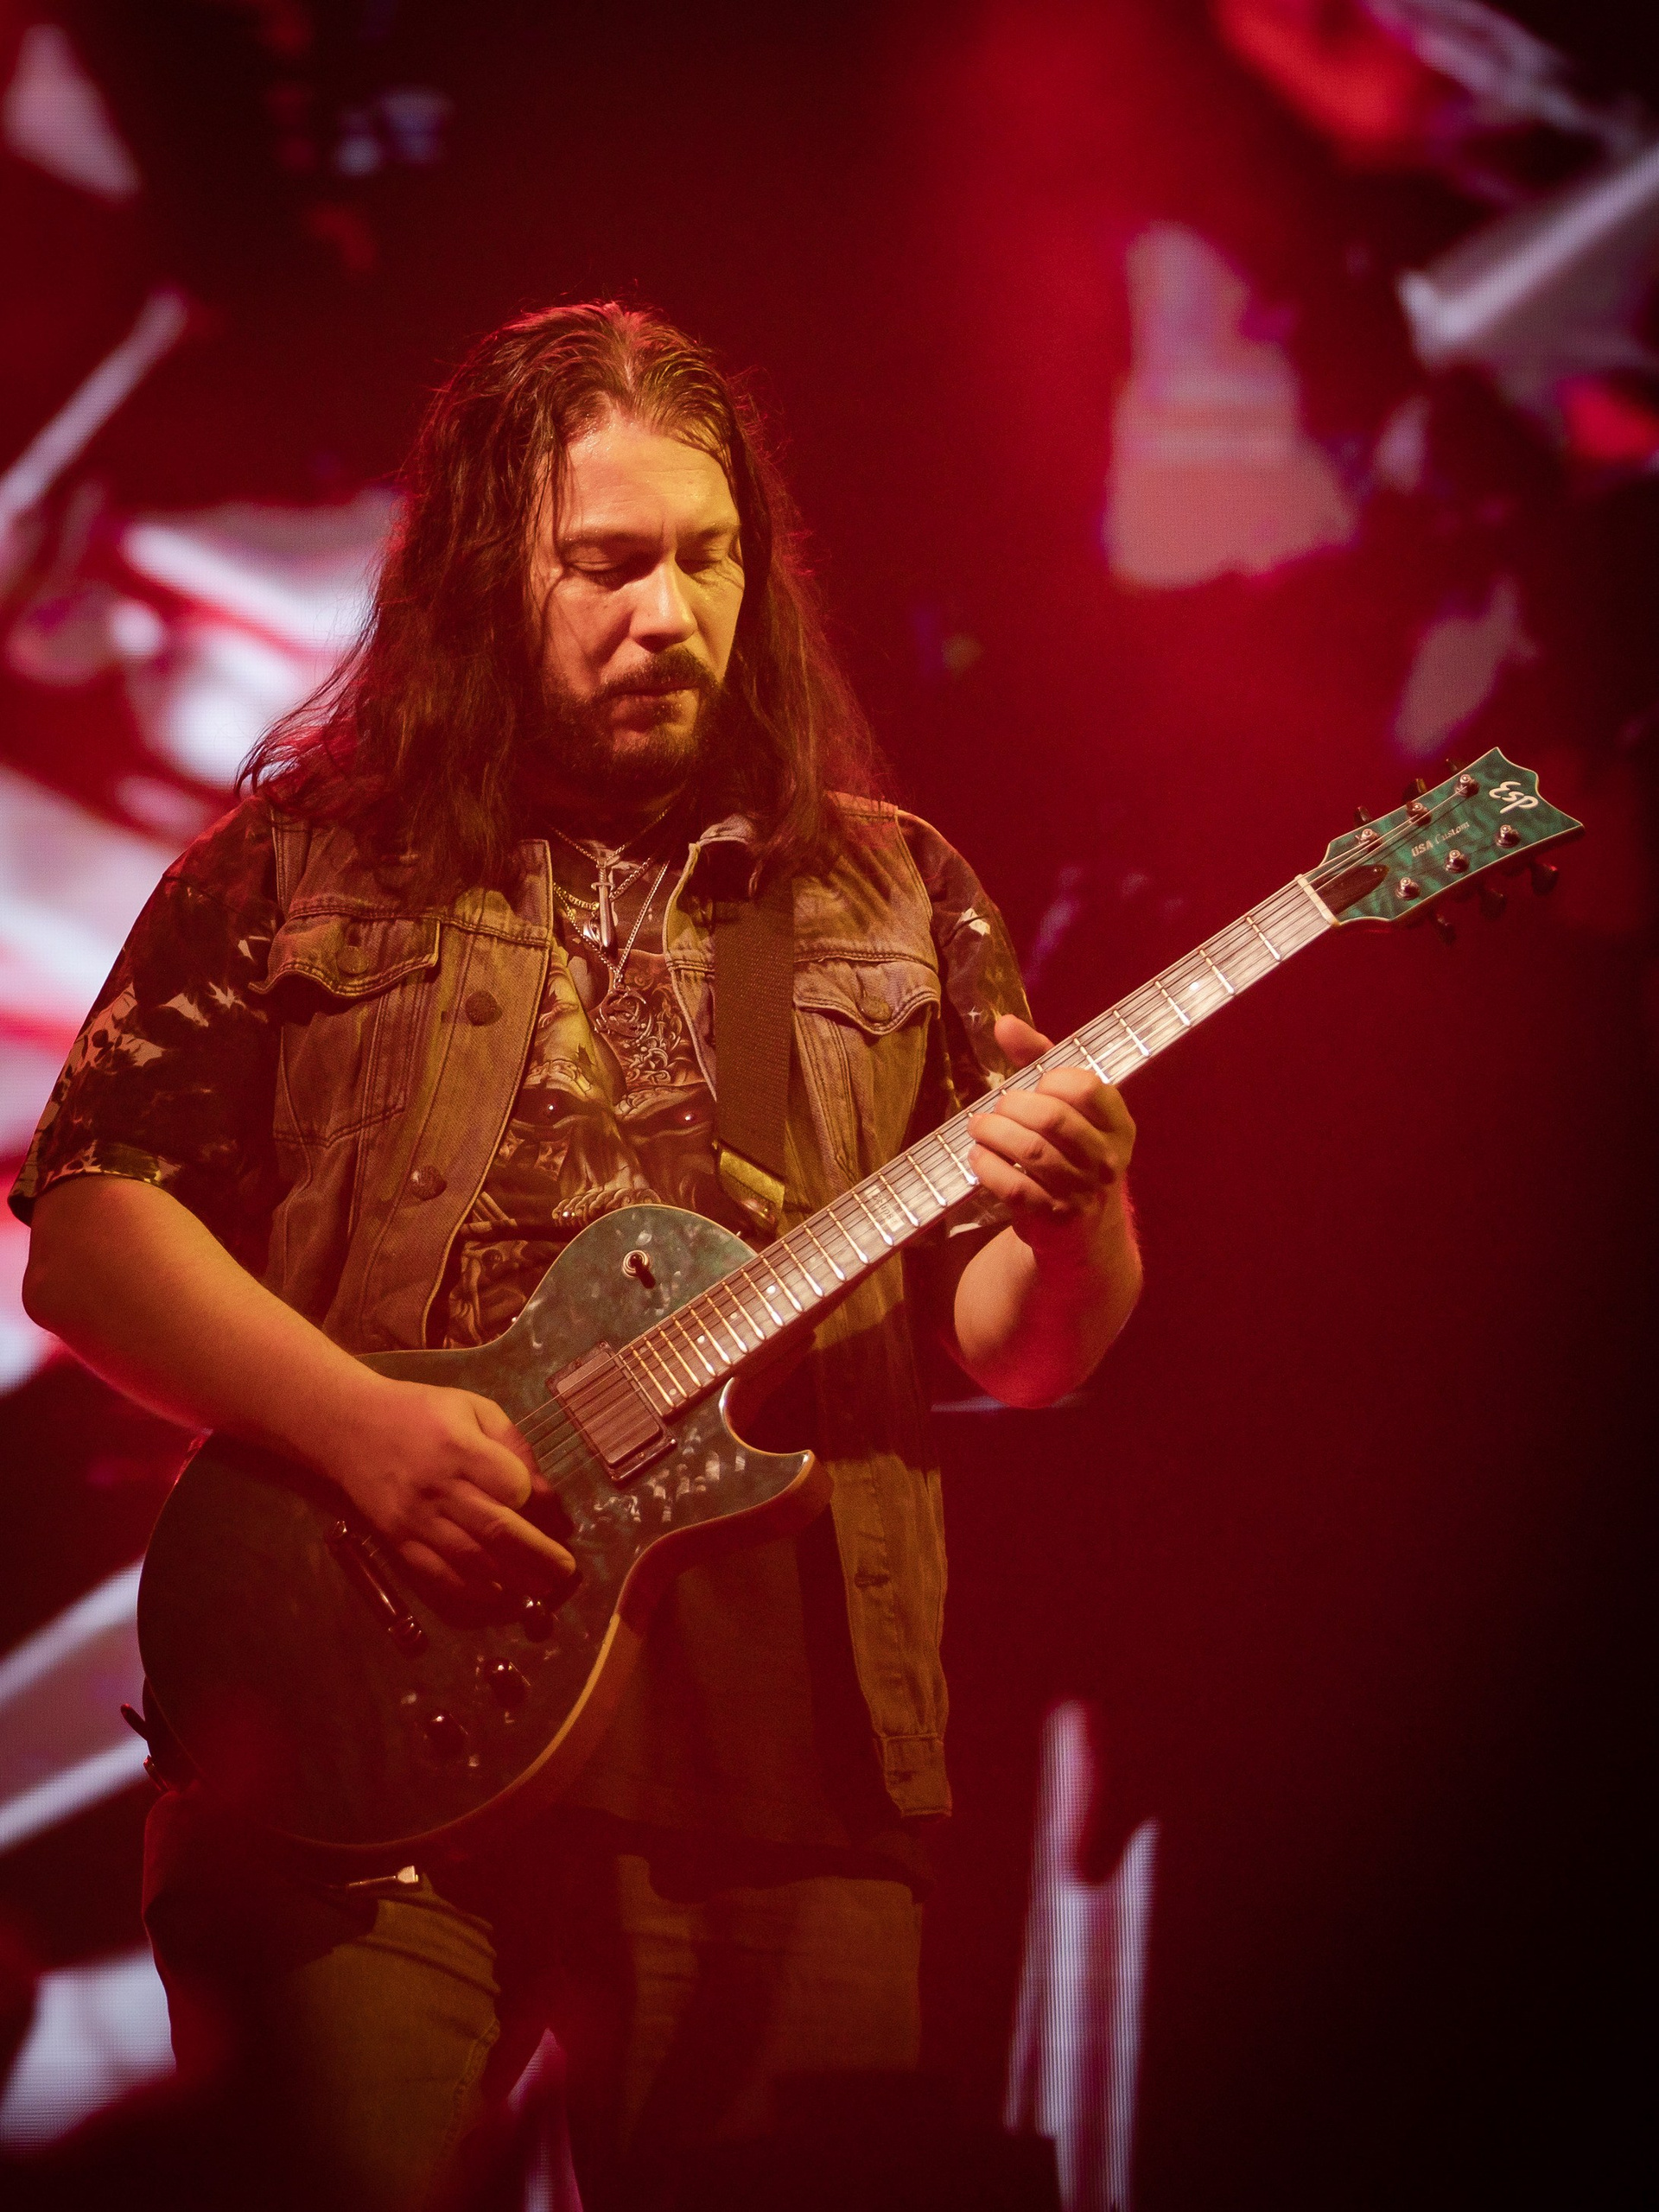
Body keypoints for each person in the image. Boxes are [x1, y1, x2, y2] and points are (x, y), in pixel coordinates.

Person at [15, 302, 1141, 2211]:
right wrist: (366, 1431)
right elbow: (92, 1234)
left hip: (790, 1772)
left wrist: (1079, 1215)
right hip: (358, 1747)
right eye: (608, 566)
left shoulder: (896, 887)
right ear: (484, 579)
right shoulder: (296, 865)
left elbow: (1024, 1354)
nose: (670, 614)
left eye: (710, 559)